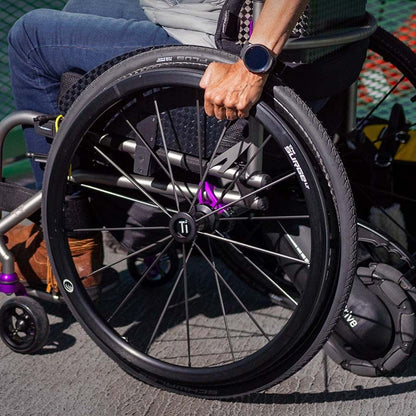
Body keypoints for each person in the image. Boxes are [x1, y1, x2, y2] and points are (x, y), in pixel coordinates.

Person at [5, 0, 367, 295]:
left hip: (220, 42)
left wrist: (253, 65)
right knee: (80, 9)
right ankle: (124, 218)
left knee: (31, 37)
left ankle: (67, 241)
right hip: (302, 47)